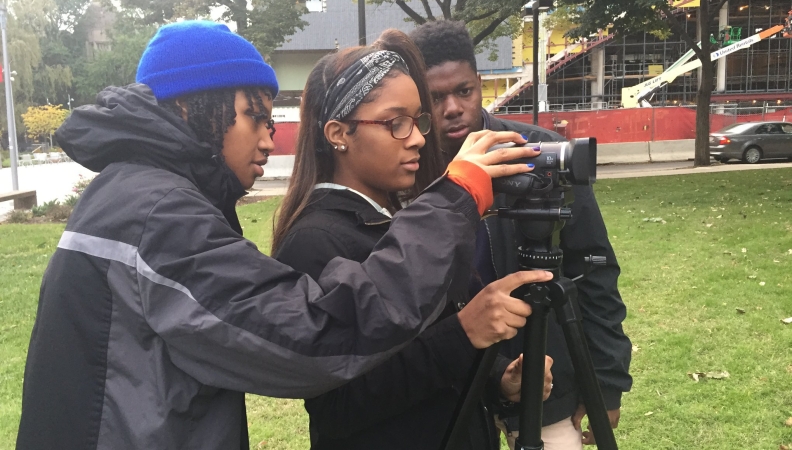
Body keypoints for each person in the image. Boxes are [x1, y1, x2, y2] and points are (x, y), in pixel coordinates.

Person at [15, 21, 546, 450]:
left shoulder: (140, 195)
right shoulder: (156, 211)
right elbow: (316, 339)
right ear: (189, 106)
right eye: (255, 117)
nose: (271, 139)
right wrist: (456, 197)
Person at [272, 29, 553, 450]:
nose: (420, 137)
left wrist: (498, 378)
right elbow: (338, 405)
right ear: (338, 133)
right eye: (395, 123)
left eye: (417, 120)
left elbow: (431, 345)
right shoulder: (315, 241)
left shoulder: (405, 218)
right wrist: (464, 333)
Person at [410, 20, 633, 449]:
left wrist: (606, 381)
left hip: (544, 378)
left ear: (480, 84)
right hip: (451, 386)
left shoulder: (542, 157)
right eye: (435, 98)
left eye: (463, 91)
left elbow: (595, 271)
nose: (452, 108)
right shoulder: (409, 168)